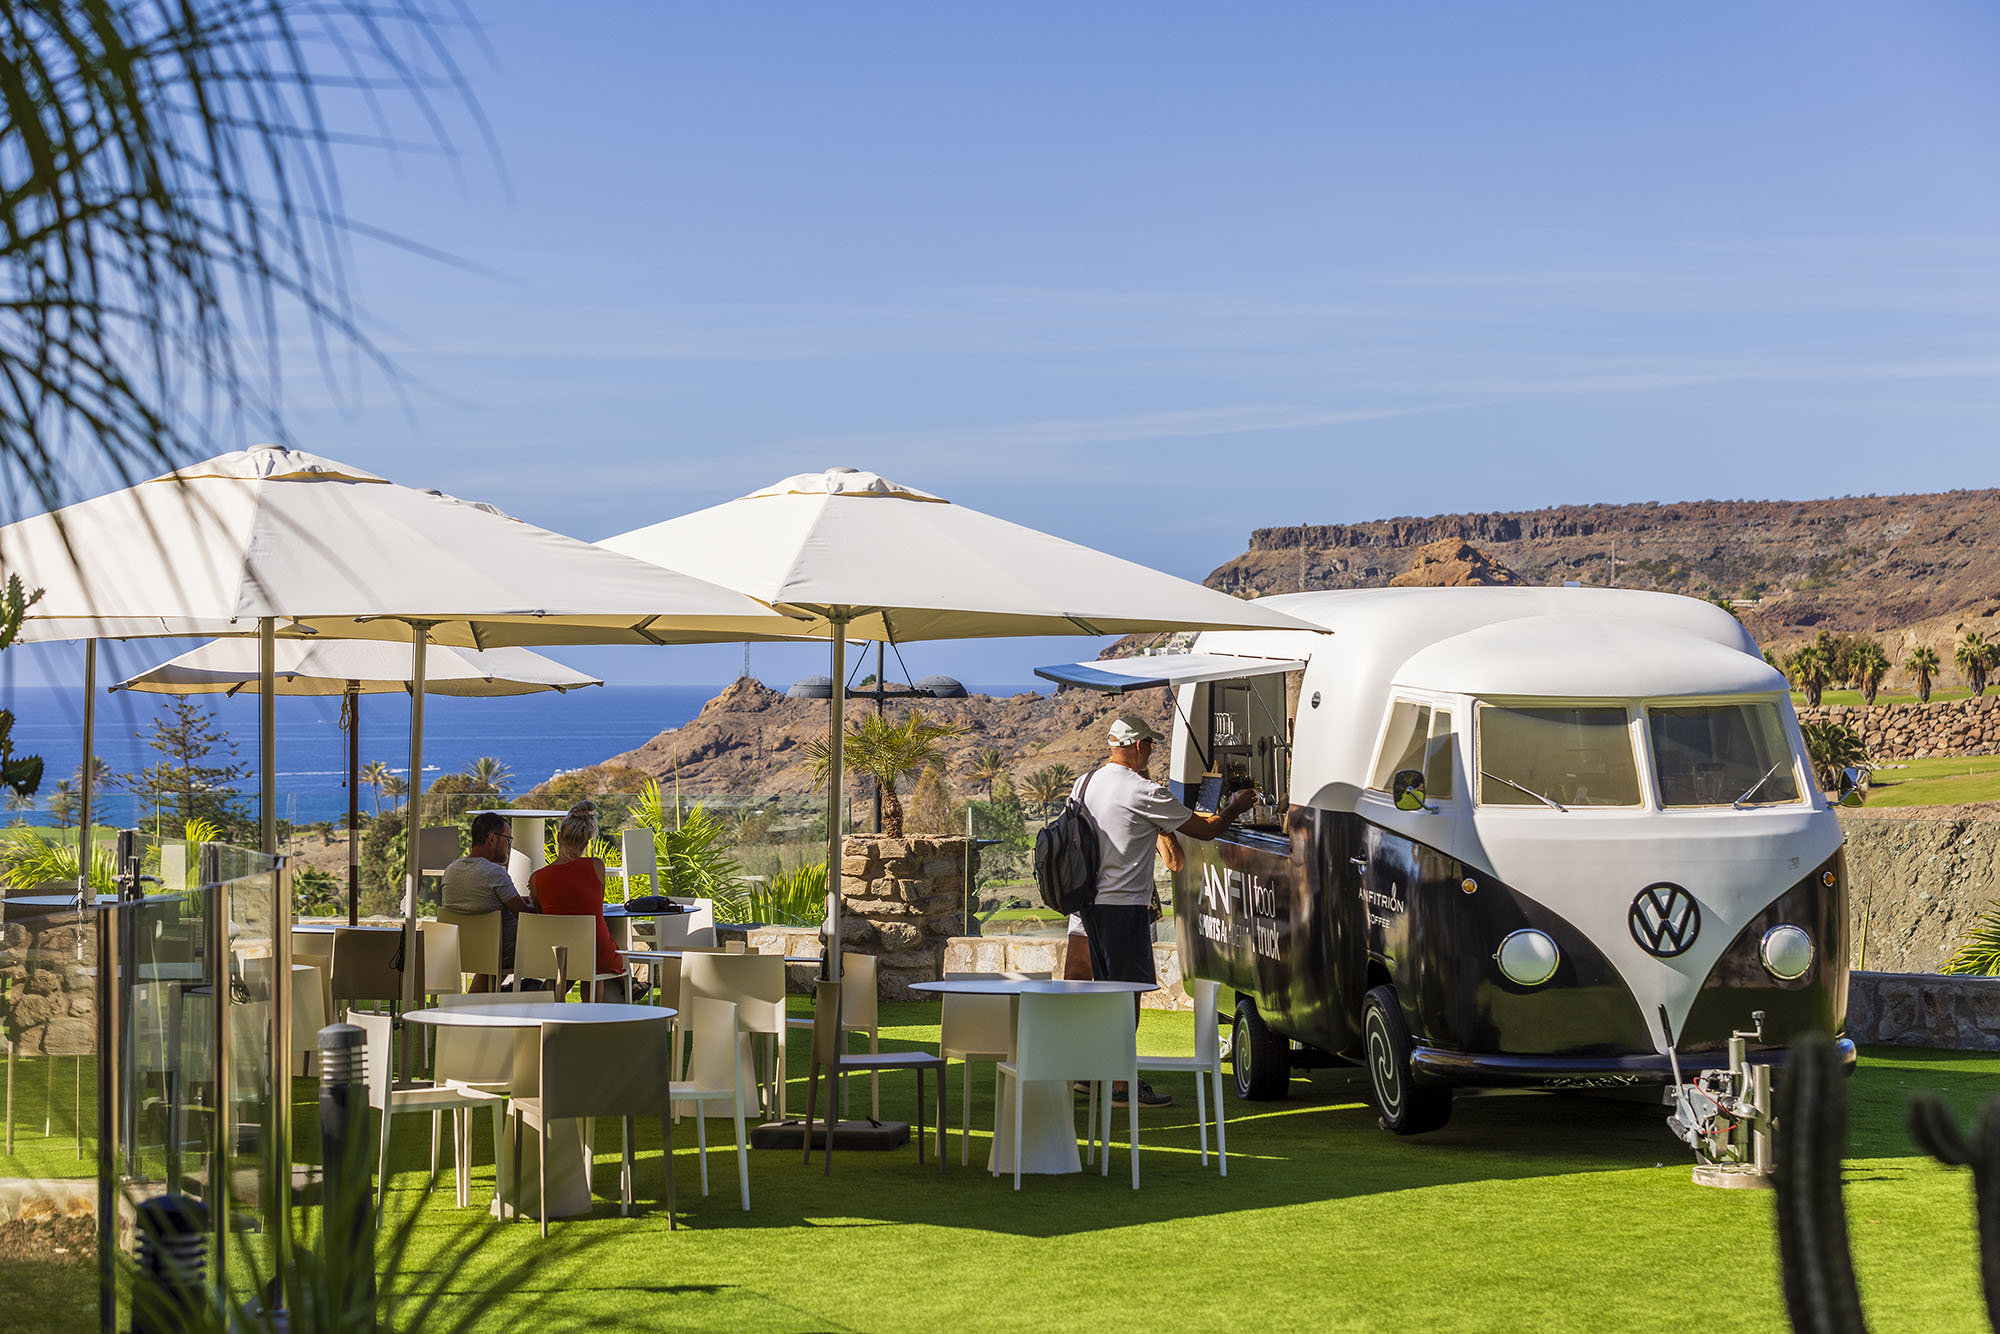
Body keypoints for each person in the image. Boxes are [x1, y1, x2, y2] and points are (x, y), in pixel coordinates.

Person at [1075, 713, 1255, 1108]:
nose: (1152, 751)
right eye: (1151, 745)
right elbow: (1205, 831)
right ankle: (1122, 1087)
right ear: (1138, 746)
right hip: (1125, 908)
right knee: (1128, 997)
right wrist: (1235, 808)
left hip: (1090, 906)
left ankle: (1095, 1074)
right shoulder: (1143, 791)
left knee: (1105, 994)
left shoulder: (1083, 784)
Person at [529, 802, 625, 1001]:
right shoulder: (596, 867)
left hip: (558, 956)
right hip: (596, 953)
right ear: (586, 842)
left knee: (570, 955)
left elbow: (541, 913)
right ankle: (592, 1012)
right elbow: (595, 905)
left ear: (558, 837)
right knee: (591, 955)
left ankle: (549, 1005)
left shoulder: (537, 878)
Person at [441, 810, 538, 992]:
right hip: (504, 953)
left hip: (461, 951)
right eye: (508, 840)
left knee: (491, 950)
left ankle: (472, 1005)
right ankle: (545, 999)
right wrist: (538, 901)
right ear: (492, 838)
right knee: (559, 948)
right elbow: (525, 915)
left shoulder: (451, 870)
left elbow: (479, 902)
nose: (509, 846)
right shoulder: (494, 873)